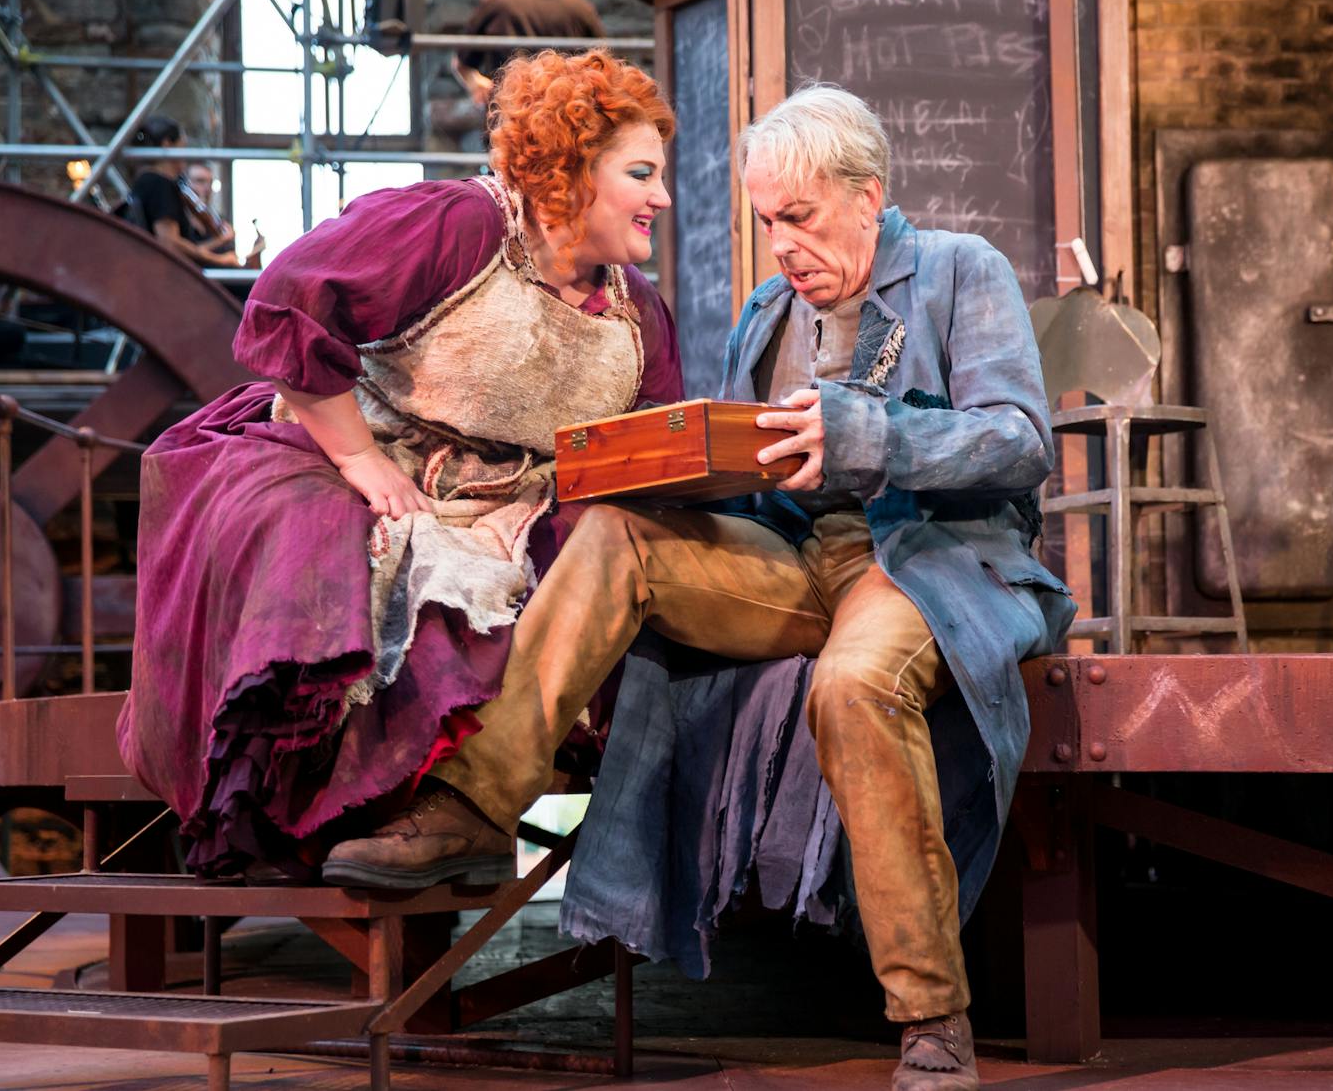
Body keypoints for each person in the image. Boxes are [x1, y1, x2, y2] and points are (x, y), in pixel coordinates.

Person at [333, 85, 1074, 1090]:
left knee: (852, 686)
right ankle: (475, 804)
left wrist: (867, 433)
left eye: (799, 218)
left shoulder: (955, 271)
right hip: (797, 562)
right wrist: (679, 471)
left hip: (923, 559)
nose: (780, 245)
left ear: (867, 195)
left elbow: (1019, 441)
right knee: (617, 536)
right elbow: (750, 479)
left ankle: (931, 1019)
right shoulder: (769, 313)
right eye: (766, 220)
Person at [116, 50, 680, 882]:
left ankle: (461, 816)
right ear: (570, 169)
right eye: (641, 173)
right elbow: (292, 295)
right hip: (357, 447)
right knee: (320, 538)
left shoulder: (641, 315)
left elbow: (649, 450)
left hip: (516, 501)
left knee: (598, 555)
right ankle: (328, 818)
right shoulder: (461, 227)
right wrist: (359, 456)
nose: (662, 198)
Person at [452, 0, 604, 109]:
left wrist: (477, 85)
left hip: (511, 118)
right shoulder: (580, 8)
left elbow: (461, 64)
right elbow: (603, 64)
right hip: (567, 117)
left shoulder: (496, 3)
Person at [126, 116, 240, 269]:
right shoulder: (158, 184)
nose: (185, 154)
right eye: (182, 146)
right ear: (167, 145)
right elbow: (170, 243)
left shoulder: (148, 181)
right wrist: (220, 260)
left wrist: (219, 244)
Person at [181, 161, 265, 267]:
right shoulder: (182, 218)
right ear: (186, 184)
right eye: (200, 181)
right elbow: (188, 252)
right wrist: (221, 241)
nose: (207, 188)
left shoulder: (215, 218)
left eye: (210, 182)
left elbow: (232, 256)